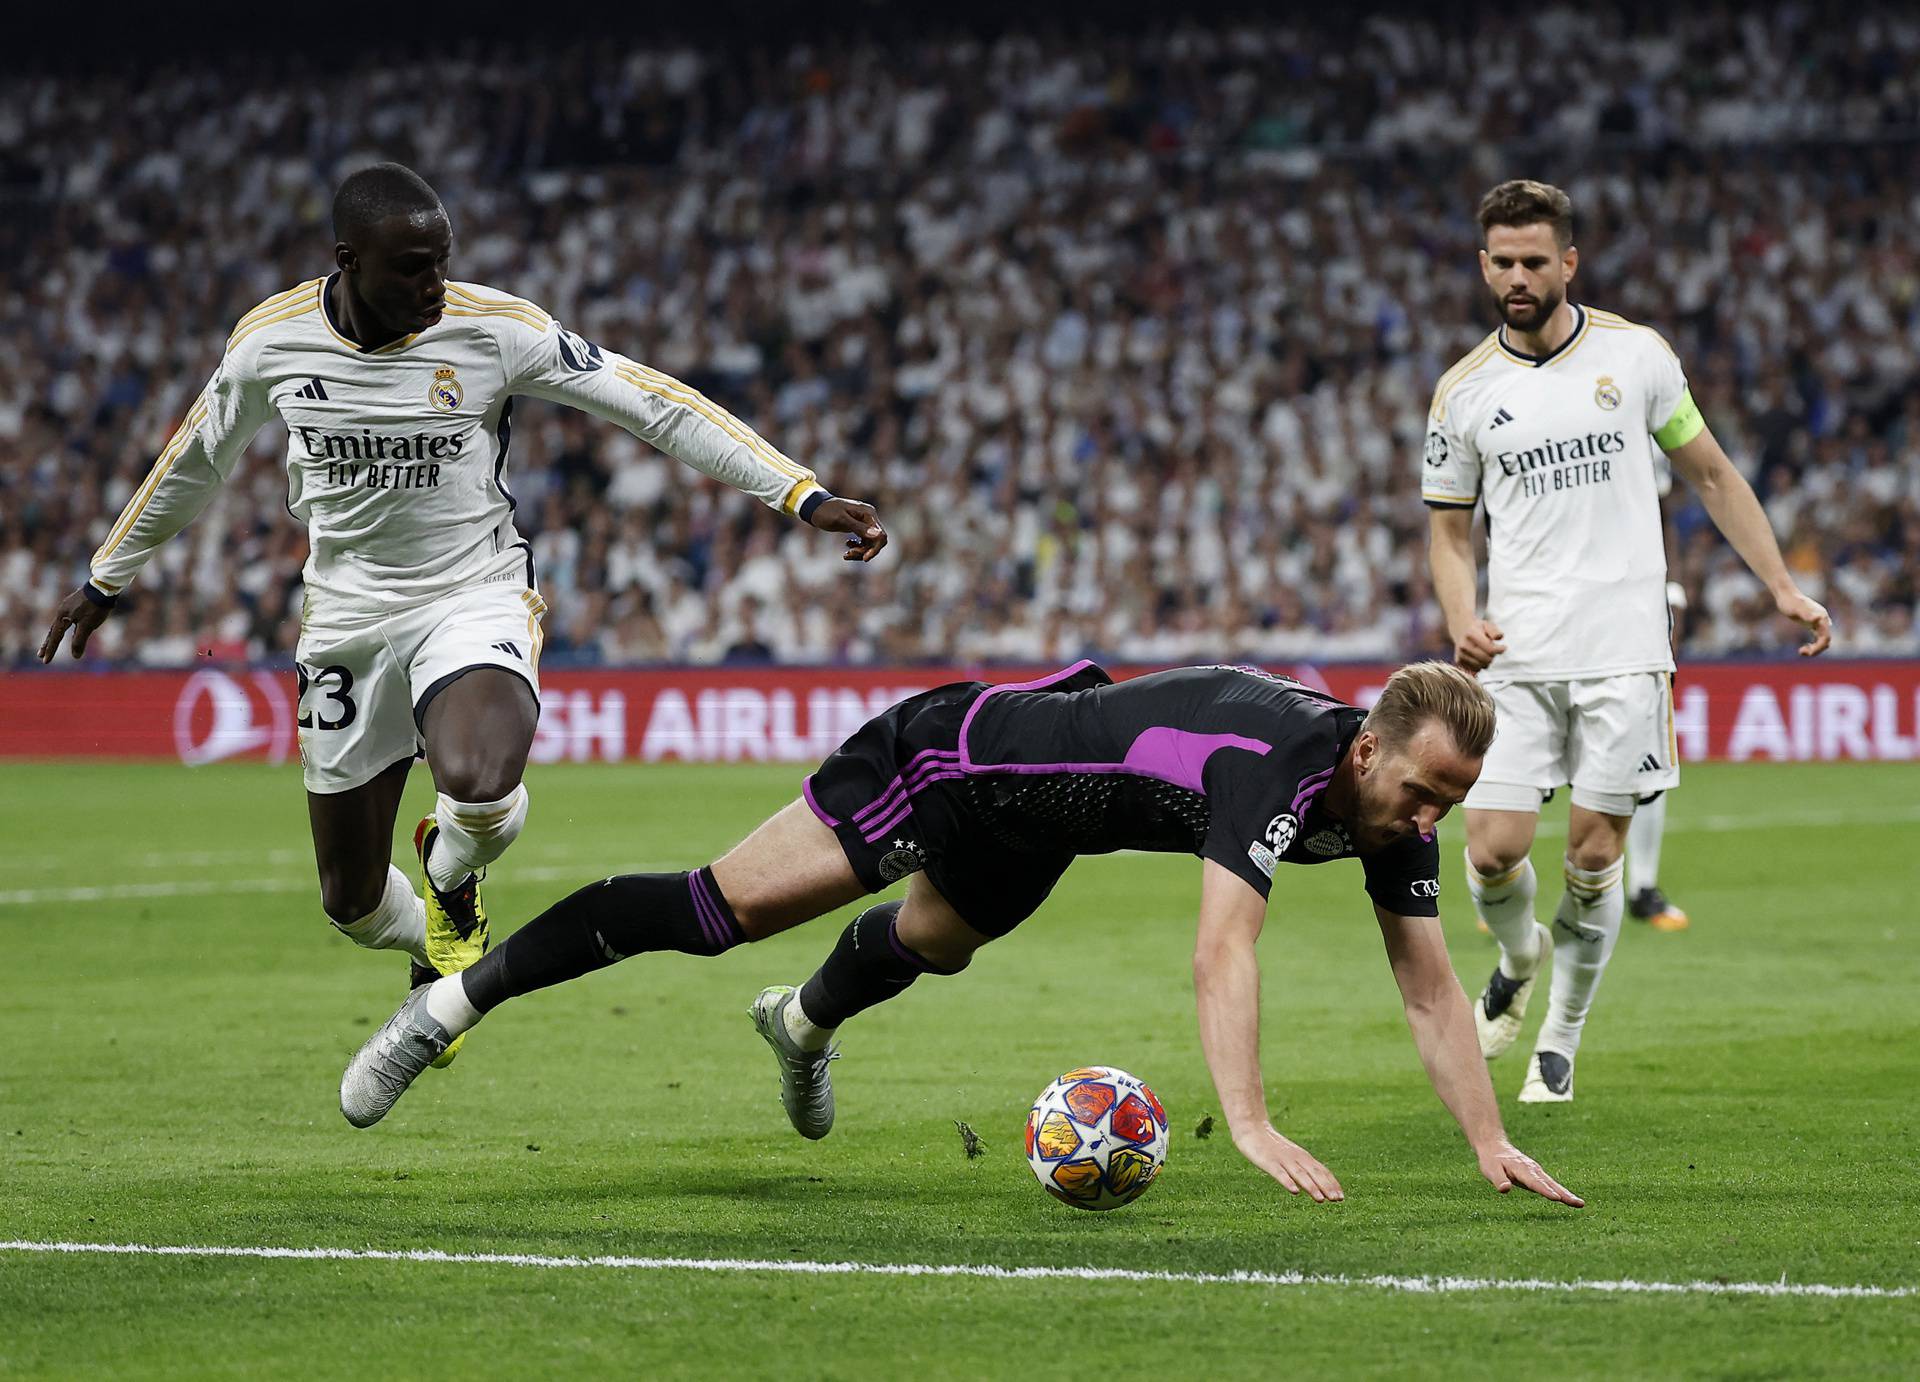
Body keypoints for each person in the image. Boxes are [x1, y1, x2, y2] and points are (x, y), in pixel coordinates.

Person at [39, 162, 887, 1068]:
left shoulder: (494, 329)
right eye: (410, 268)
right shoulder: (270, 345)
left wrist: (798, 491)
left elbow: (653, 406)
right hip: (346, 618)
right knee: (352, 903)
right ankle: (434, 950)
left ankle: (451, 878)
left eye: (441, 262)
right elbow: (196, 458)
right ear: (347, 260)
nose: (433, 285)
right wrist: (107, 576)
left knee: (479, 782)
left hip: (472, 590)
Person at [341, 659, 1584, 1209]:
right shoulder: (1280, 768)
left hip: (1042, 825)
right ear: (1366, 746)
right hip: (954, 758)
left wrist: (1489, 1138)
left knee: (935, 942)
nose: (1429, 820)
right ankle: (452, 998)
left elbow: (1430, 990)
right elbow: (1222, 950)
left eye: (1447, 803)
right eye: (1421, 791)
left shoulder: (1387, 816)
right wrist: (1247, 1119)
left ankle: (804, 1020)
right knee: (725, 909)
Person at [1424, 179, 1829, 1103]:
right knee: (1490, 849)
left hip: (1625, 648)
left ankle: (1560, 1038)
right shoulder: (1462, 394)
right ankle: (1520, 958)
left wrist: (1781, 586)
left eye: (1535, 260)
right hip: (1517, 656)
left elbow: (1714, 475)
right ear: (1483, 266)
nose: (1518, 277)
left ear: (1569, 261)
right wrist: (1459, 616)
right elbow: (1450, 533)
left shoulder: (1637, 358)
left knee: (1596, 857)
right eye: (1502, 262)